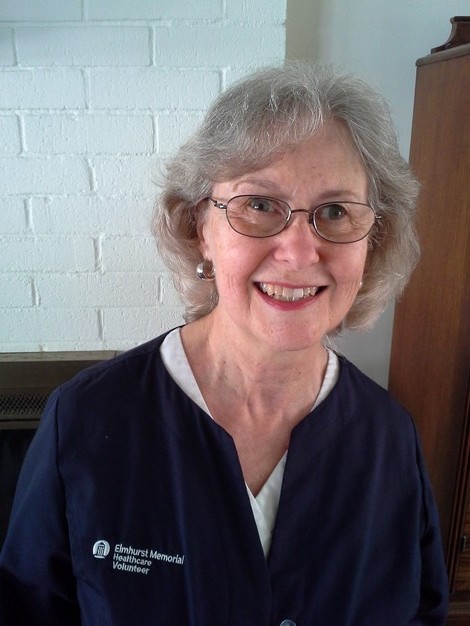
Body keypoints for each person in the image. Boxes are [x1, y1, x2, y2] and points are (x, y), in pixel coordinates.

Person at [0, 62, 448, 625]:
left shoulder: (390, 438)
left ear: (373, 241)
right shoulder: (85, 420)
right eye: (259, 205)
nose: (298, 252)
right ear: (200, 229)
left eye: (335, 211)